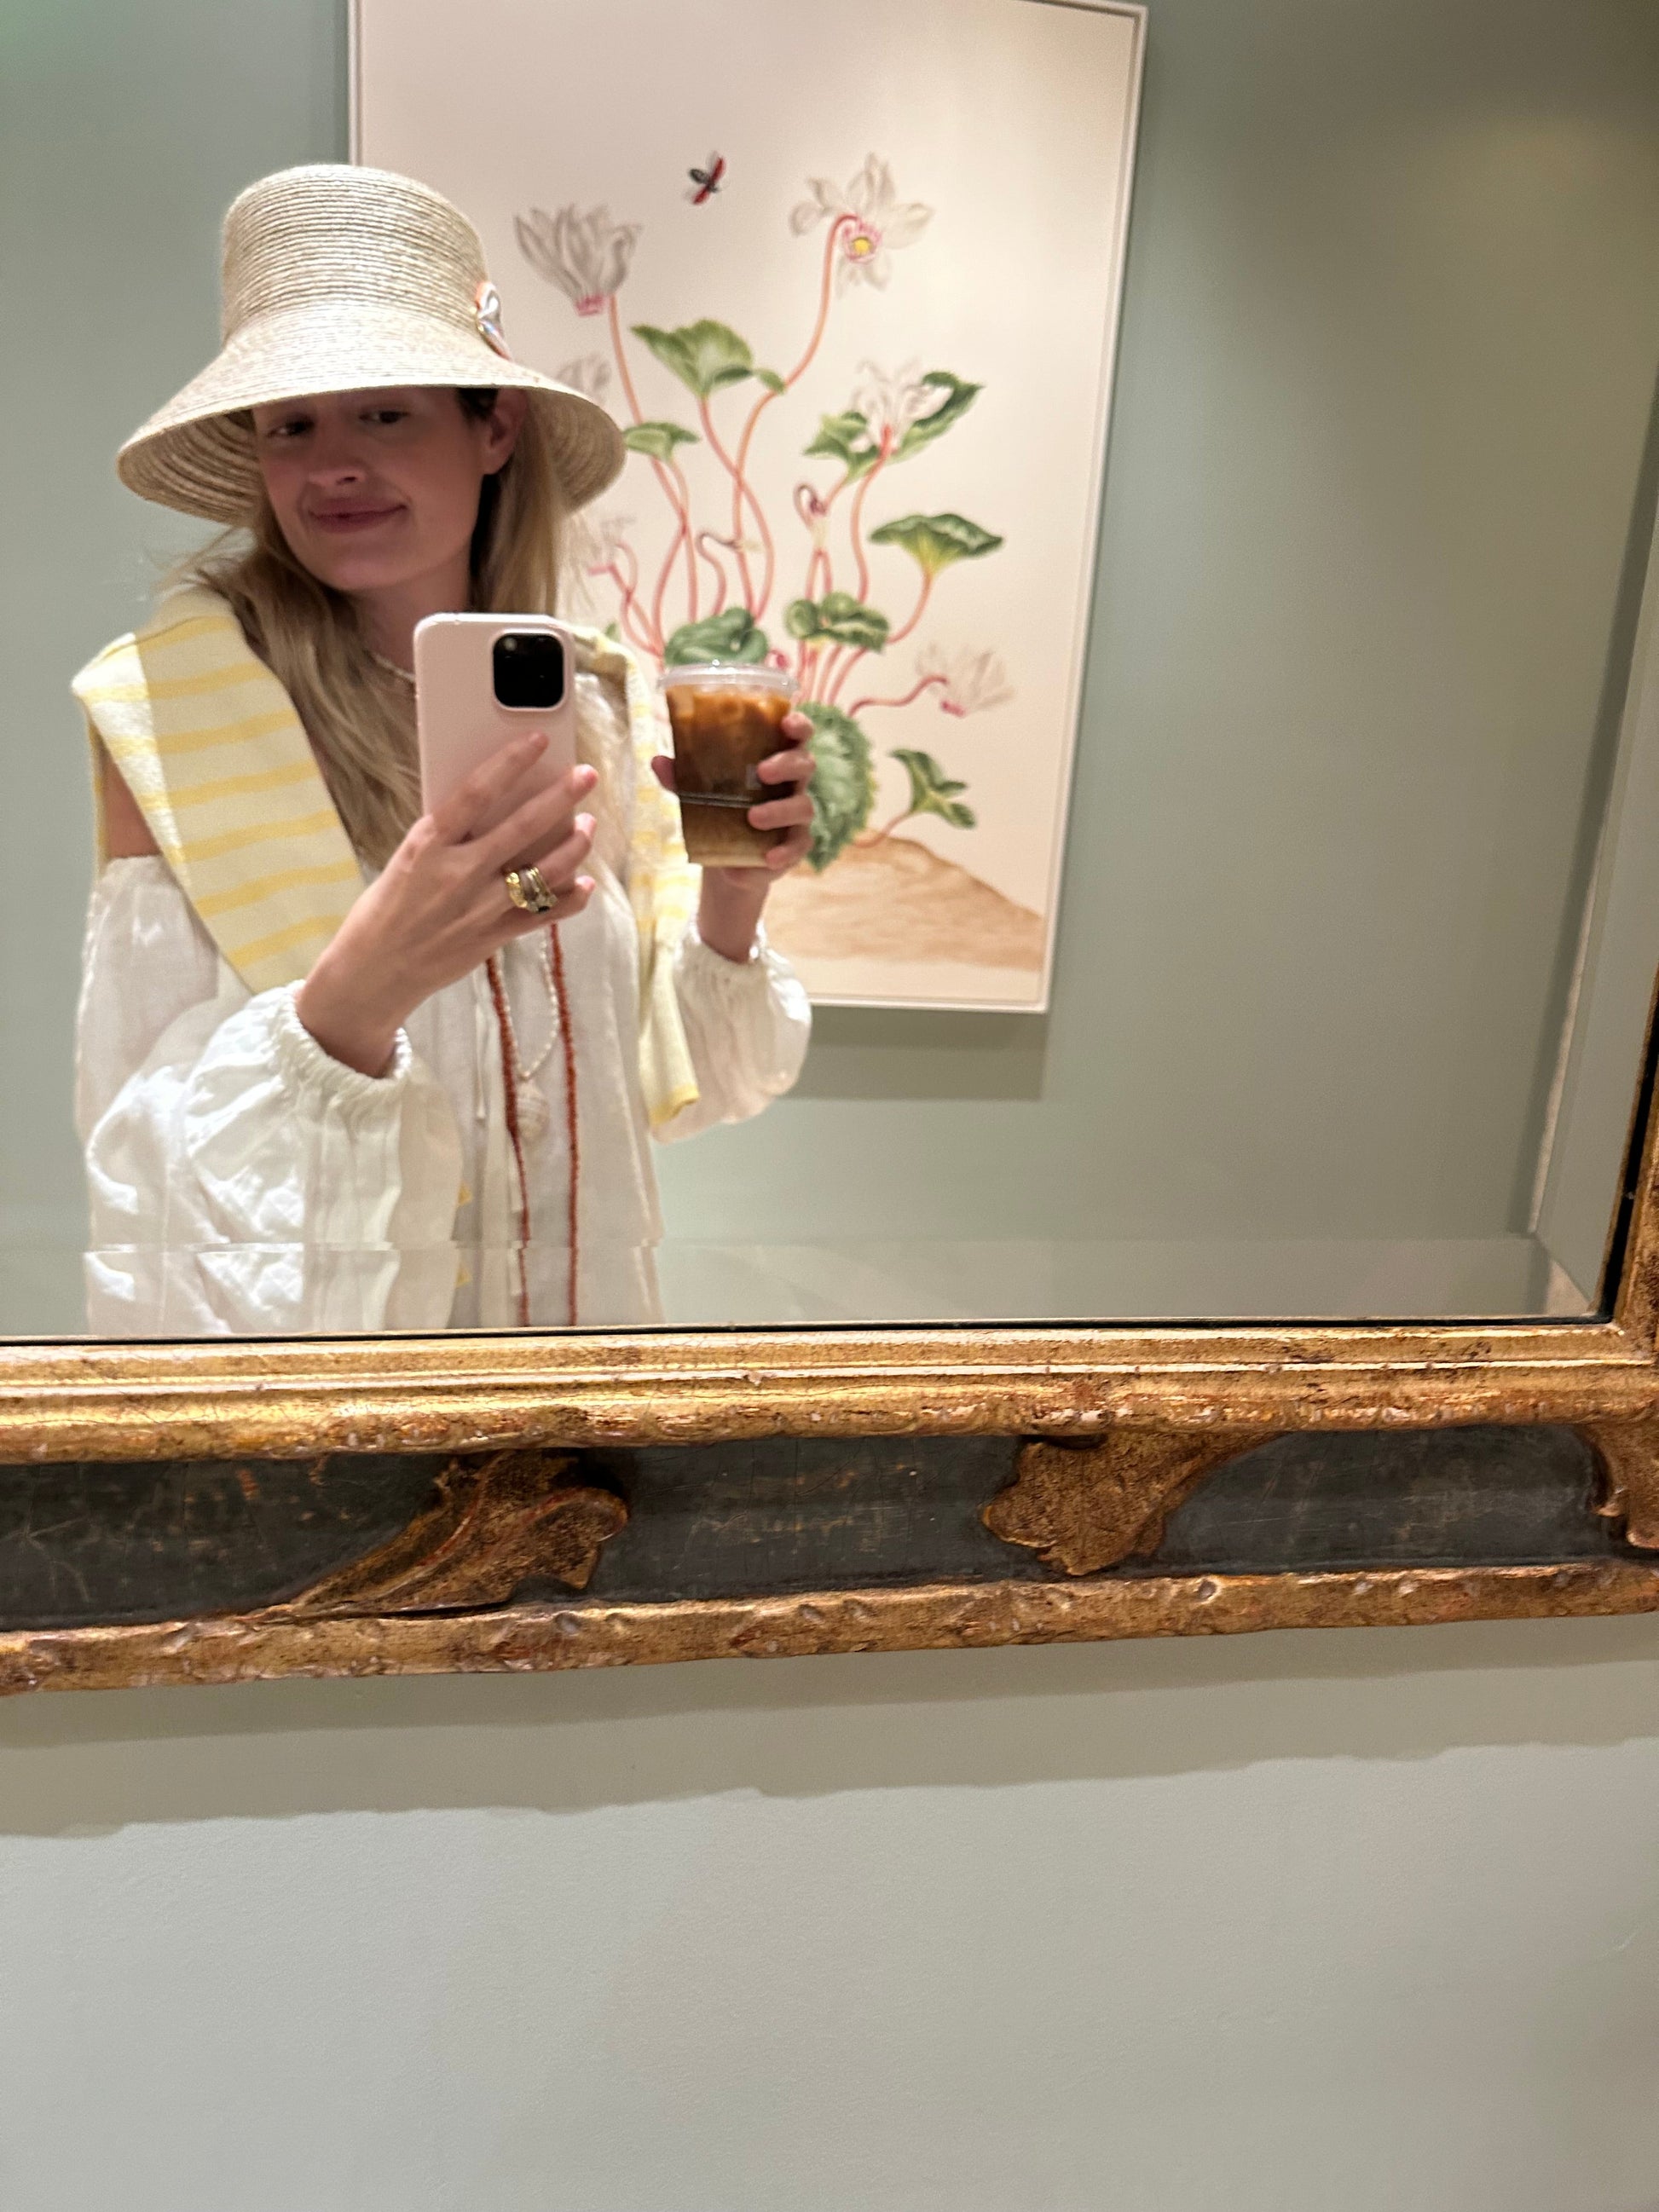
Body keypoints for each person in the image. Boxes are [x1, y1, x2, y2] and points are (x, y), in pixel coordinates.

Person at [71, 164, 815, 1336]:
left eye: (382, 413)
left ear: (493, 426)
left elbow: (688, 1089)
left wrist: (734, 894)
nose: (331, 466)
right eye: (290, 426)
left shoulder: (599, 705)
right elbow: (147, 1186)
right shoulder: (181, 718)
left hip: (582, 1384)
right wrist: (359, 997)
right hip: (357, 1409)